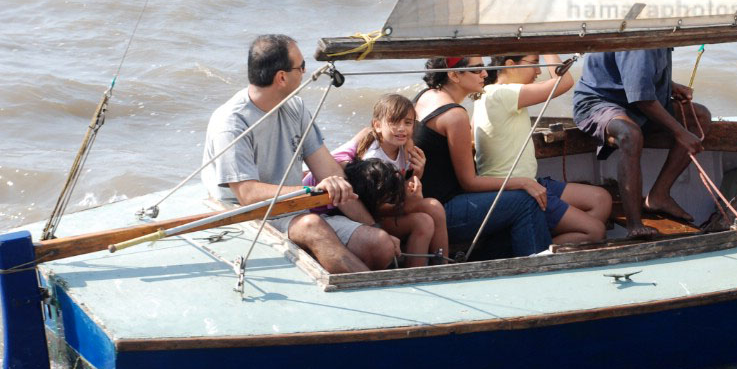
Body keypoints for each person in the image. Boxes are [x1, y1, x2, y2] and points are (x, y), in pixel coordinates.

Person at [201, 34, 398, 273]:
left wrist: (375, 227)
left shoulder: (295, 107)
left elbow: (332, 173)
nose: (306, 72)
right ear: (281, 77)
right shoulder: (231, 122)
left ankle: (359, 284)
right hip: (246, 218)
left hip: (293, 211)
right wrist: (310, 191)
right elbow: (248, 194)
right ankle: (374, 292)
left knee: (381, 245)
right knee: (312, 225)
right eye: (302, 67)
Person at [414, 56, 552, 258]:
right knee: (525, 201)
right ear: (454, 75)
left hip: (422, 206)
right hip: (442, 212)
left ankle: (493, 261)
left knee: (509, 206)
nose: (485, 73)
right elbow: (469, 182)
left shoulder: (426, 96)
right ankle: (539, 270)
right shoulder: (455, 115)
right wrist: (522, 182)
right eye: (477, 69)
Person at [572, 49, 711, 238]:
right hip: (600, 103)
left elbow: (636, 74)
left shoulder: (662, 33)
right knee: (630, 135)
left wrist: (670, 85)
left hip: (633, 102)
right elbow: (642, 98)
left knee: (700, 116)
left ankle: (659, 196)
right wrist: (680, 133)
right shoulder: (640, 42)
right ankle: (635, 224)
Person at [474, 53, 611, 244]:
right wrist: (548, 49)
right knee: (595, 232)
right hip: (515, 190)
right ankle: (539, 249)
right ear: (511, 65)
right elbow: (563, 82)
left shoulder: (492, 93)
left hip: (531, 181)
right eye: (534, 63)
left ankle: (554, 239)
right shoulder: (502, 94)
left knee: (601, 199)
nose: (539, 71)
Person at [311, 93, 449, 267]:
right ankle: (417, 271)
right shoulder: (374, 158)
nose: (402, 129)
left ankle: (442, 264)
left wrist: (417, 174)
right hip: (369, 213)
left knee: (433, 209)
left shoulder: (406, 147)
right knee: (425, 220)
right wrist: (411, 199)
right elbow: (375, 206)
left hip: (387, 205)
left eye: (407, 123)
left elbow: (404, 188)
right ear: (377, 126)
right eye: (394, 122)